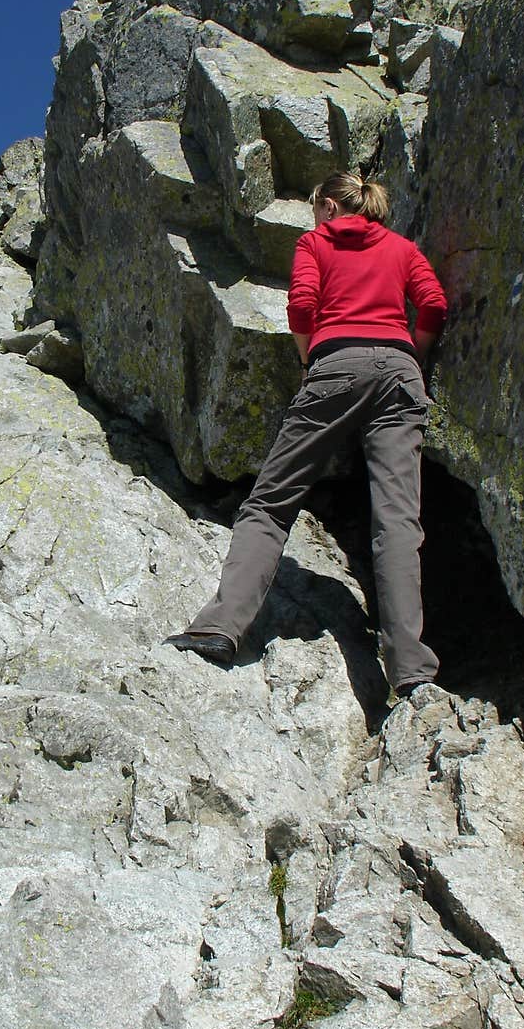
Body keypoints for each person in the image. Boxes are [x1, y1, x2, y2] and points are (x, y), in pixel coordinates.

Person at [165, 172, 449, 703]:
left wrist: (308, 361)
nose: (313, 217)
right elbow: (433, 304)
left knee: (271, 503)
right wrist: (414, 354)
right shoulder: (404, 249)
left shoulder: (316, 242)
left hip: (336, 364)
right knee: (397, 520)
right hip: (400, 374)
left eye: (316, 206)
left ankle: (220, 627)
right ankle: (411, 668)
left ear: (330, 205)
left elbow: (301, 306)